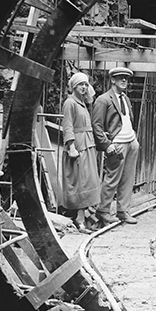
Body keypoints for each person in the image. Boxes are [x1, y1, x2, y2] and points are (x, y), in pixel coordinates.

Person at [92, 67, 140, 226]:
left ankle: (122, 210)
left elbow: (127, 119)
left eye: (126, 78)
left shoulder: (125, 98)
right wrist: (107, 145)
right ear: (112, 80)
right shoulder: (103, 99)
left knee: (128, 178)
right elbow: (96, 125)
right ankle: (103, 210)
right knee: (112, 177)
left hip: (131, 142)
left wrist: (133, 138)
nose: (124, 80)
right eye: (120, 78)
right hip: (117, 144)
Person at [61, 72, 101, 233]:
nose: (84, 87)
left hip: (88, 145)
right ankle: (80, 219)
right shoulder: (70, 103)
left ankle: (83, 216)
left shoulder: (82, 103)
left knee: (88, 181)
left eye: (86, 84)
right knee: (80, 182)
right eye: (80, 85)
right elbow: (68, 126)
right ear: (73, 87)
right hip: (78, 147)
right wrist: (71, 147)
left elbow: (91, 97)